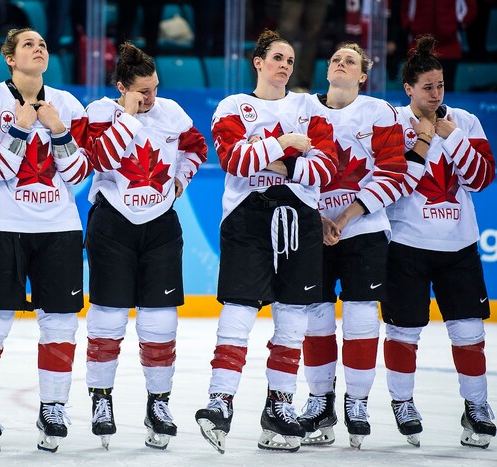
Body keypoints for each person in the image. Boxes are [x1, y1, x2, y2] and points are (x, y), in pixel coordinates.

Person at [194, 29, 337, 454]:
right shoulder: (233, 106)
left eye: (291, 60)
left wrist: (273, 158)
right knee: (239, 311)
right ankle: (219, 401)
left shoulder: (311, 107)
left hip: (301, 220)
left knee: (293, 318)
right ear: (258, 62)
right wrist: (289, 144)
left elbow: (327, 168)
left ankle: (279, 406)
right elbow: (234, 162)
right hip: (246, 220)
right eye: (277, 57)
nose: (285, 66)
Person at [0, 27, 91, 453]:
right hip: (1, 226)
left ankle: (53, 406)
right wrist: (19, 130)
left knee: (60, 322)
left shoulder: (68, 105)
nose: (39, 49)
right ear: (10, 59)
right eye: (29, 45)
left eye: (44, 44)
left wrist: (58, 131)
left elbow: (76, 176)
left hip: (59, 228)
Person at [83, 41, 208, 450]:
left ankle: (159, 403)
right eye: (143, 90)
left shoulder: (172, 112)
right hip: (113, 223)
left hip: (159, 225)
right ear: (122, 86)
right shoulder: (101, 112)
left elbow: (195, 147)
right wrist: (131, 118)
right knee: (108, 316)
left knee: (160, 320)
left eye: (155, 87)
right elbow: (100, 160)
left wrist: (180, 182)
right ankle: (101, 400)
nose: (152, 96)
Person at [381, 34, 496, 449]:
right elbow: (390, 184)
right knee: (403, 331)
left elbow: (482, 179)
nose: (436, 94)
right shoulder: (392, 122)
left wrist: (450, 137)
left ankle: (477, 406)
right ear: (408, 88)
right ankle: (402, 401)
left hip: (459, 247)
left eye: (441, 85)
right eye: (427, 87)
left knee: (468, 332)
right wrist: (424, 139)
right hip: (406, 246)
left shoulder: (464, 122)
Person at [296, 43, 408, 449]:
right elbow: (291, 167)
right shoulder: (301, 108)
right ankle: (319, 401)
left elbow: (394, 170)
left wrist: (344, 217)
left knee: (361, 317)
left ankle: (356, 402)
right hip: (314, 231)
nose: (341, 64)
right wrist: (315, 217)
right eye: (336, 59)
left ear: (363, 76)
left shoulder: (379, 112)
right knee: (316, 317)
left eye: (351, 61)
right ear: (328, 70)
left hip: (364, 231)